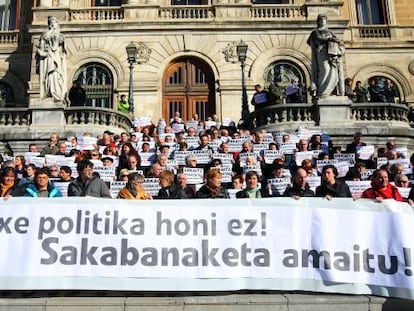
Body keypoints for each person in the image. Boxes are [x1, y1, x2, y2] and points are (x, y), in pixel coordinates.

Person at [307, 14, 344, 97]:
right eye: (321, 20)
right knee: (325, 69)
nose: (322, 21)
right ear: (318, 21)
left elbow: (338, 40)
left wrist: (336, 41)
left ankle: (329, 91)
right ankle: (322, 90)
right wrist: (329, 38)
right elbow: (319, 39)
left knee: (333, 71)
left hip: (330, 53)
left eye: (324, 20)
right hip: (321, 52)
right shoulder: (315, 32)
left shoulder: (329, 31)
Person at [36, 16, 67, 100]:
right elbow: (41, 45)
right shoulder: (45, 35)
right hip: (48, 56)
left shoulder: (60, 35)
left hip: (56, 56)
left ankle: (56, 93)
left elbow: (61, 44)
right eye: (51, 23)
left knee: (56, 73)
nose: (52, 24)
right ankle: (49, 92)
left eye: (54, 22)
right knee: (49, 74)